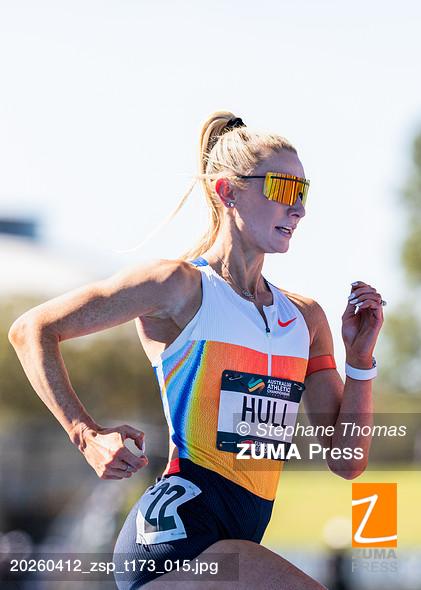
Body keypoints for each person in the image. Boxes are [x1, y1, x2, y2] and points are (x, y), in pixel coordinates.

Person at [8, 111, 385, 590]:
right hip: (176, 538)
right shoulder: (177, 286)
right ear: (228, 192)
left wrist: (360, 363)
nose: (299, 209)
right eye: (284, 188)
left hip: (238, 538)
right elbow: (31, 329)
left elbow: (347, 461)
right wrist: (86, 434)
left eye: (303, 192)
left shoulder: (305, 319)